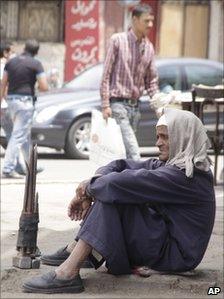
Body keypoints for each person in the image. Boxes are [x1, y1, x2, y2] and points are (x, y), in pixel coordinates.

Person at [22, 108, 215, 294]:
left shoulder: (186, 177)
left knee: (115, 195)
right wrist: (93, 185)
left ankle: (69, 272)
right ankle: (83, 251)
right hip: (163, 242)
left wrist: (88, 188)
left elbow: (117, 184)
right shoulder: (173, 163)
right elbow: (120, 165)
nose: (158, 143)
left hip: (174, 256)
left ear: (184, 138)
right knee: (116, 190)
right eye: (158, 137)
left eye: (164, 137)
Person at [100, 4, 159, 160]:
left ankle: (123, 183)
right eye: (146, 21)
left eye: (152, 21)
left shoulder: (149, 47)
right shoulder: (117, 41)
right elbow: (106, 74)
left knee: (125, 154)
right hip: (117, 105)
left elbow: (151, 81)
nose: (150, 25)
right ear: (134, 19)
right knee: (134, 153)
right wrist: (105, 104)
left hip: (136, 107)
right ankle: (141, 182)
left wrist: (158, 105)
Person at [0, 39, 48, 178]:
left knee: (24, 136)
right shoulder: (36, 64)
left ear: (24, 48)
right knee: (18, 135)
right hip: (25, 103)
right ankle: (8, 169)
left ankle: (30, 166)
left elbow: (3, 84)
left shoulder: (10, 62)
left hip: (11, 102)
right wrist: (39, 87)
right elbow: (44, 86)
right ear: (36, 52)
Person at [0, 41, 26, 175]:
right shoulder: (4, 66)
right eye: (11, 52)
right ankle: (11, 168)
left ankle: (18, 167)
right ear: (5, 53)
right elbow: (3, 87)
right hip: (4, 108)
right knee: (14, 137)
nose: (13, 54)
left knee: (12, 137)